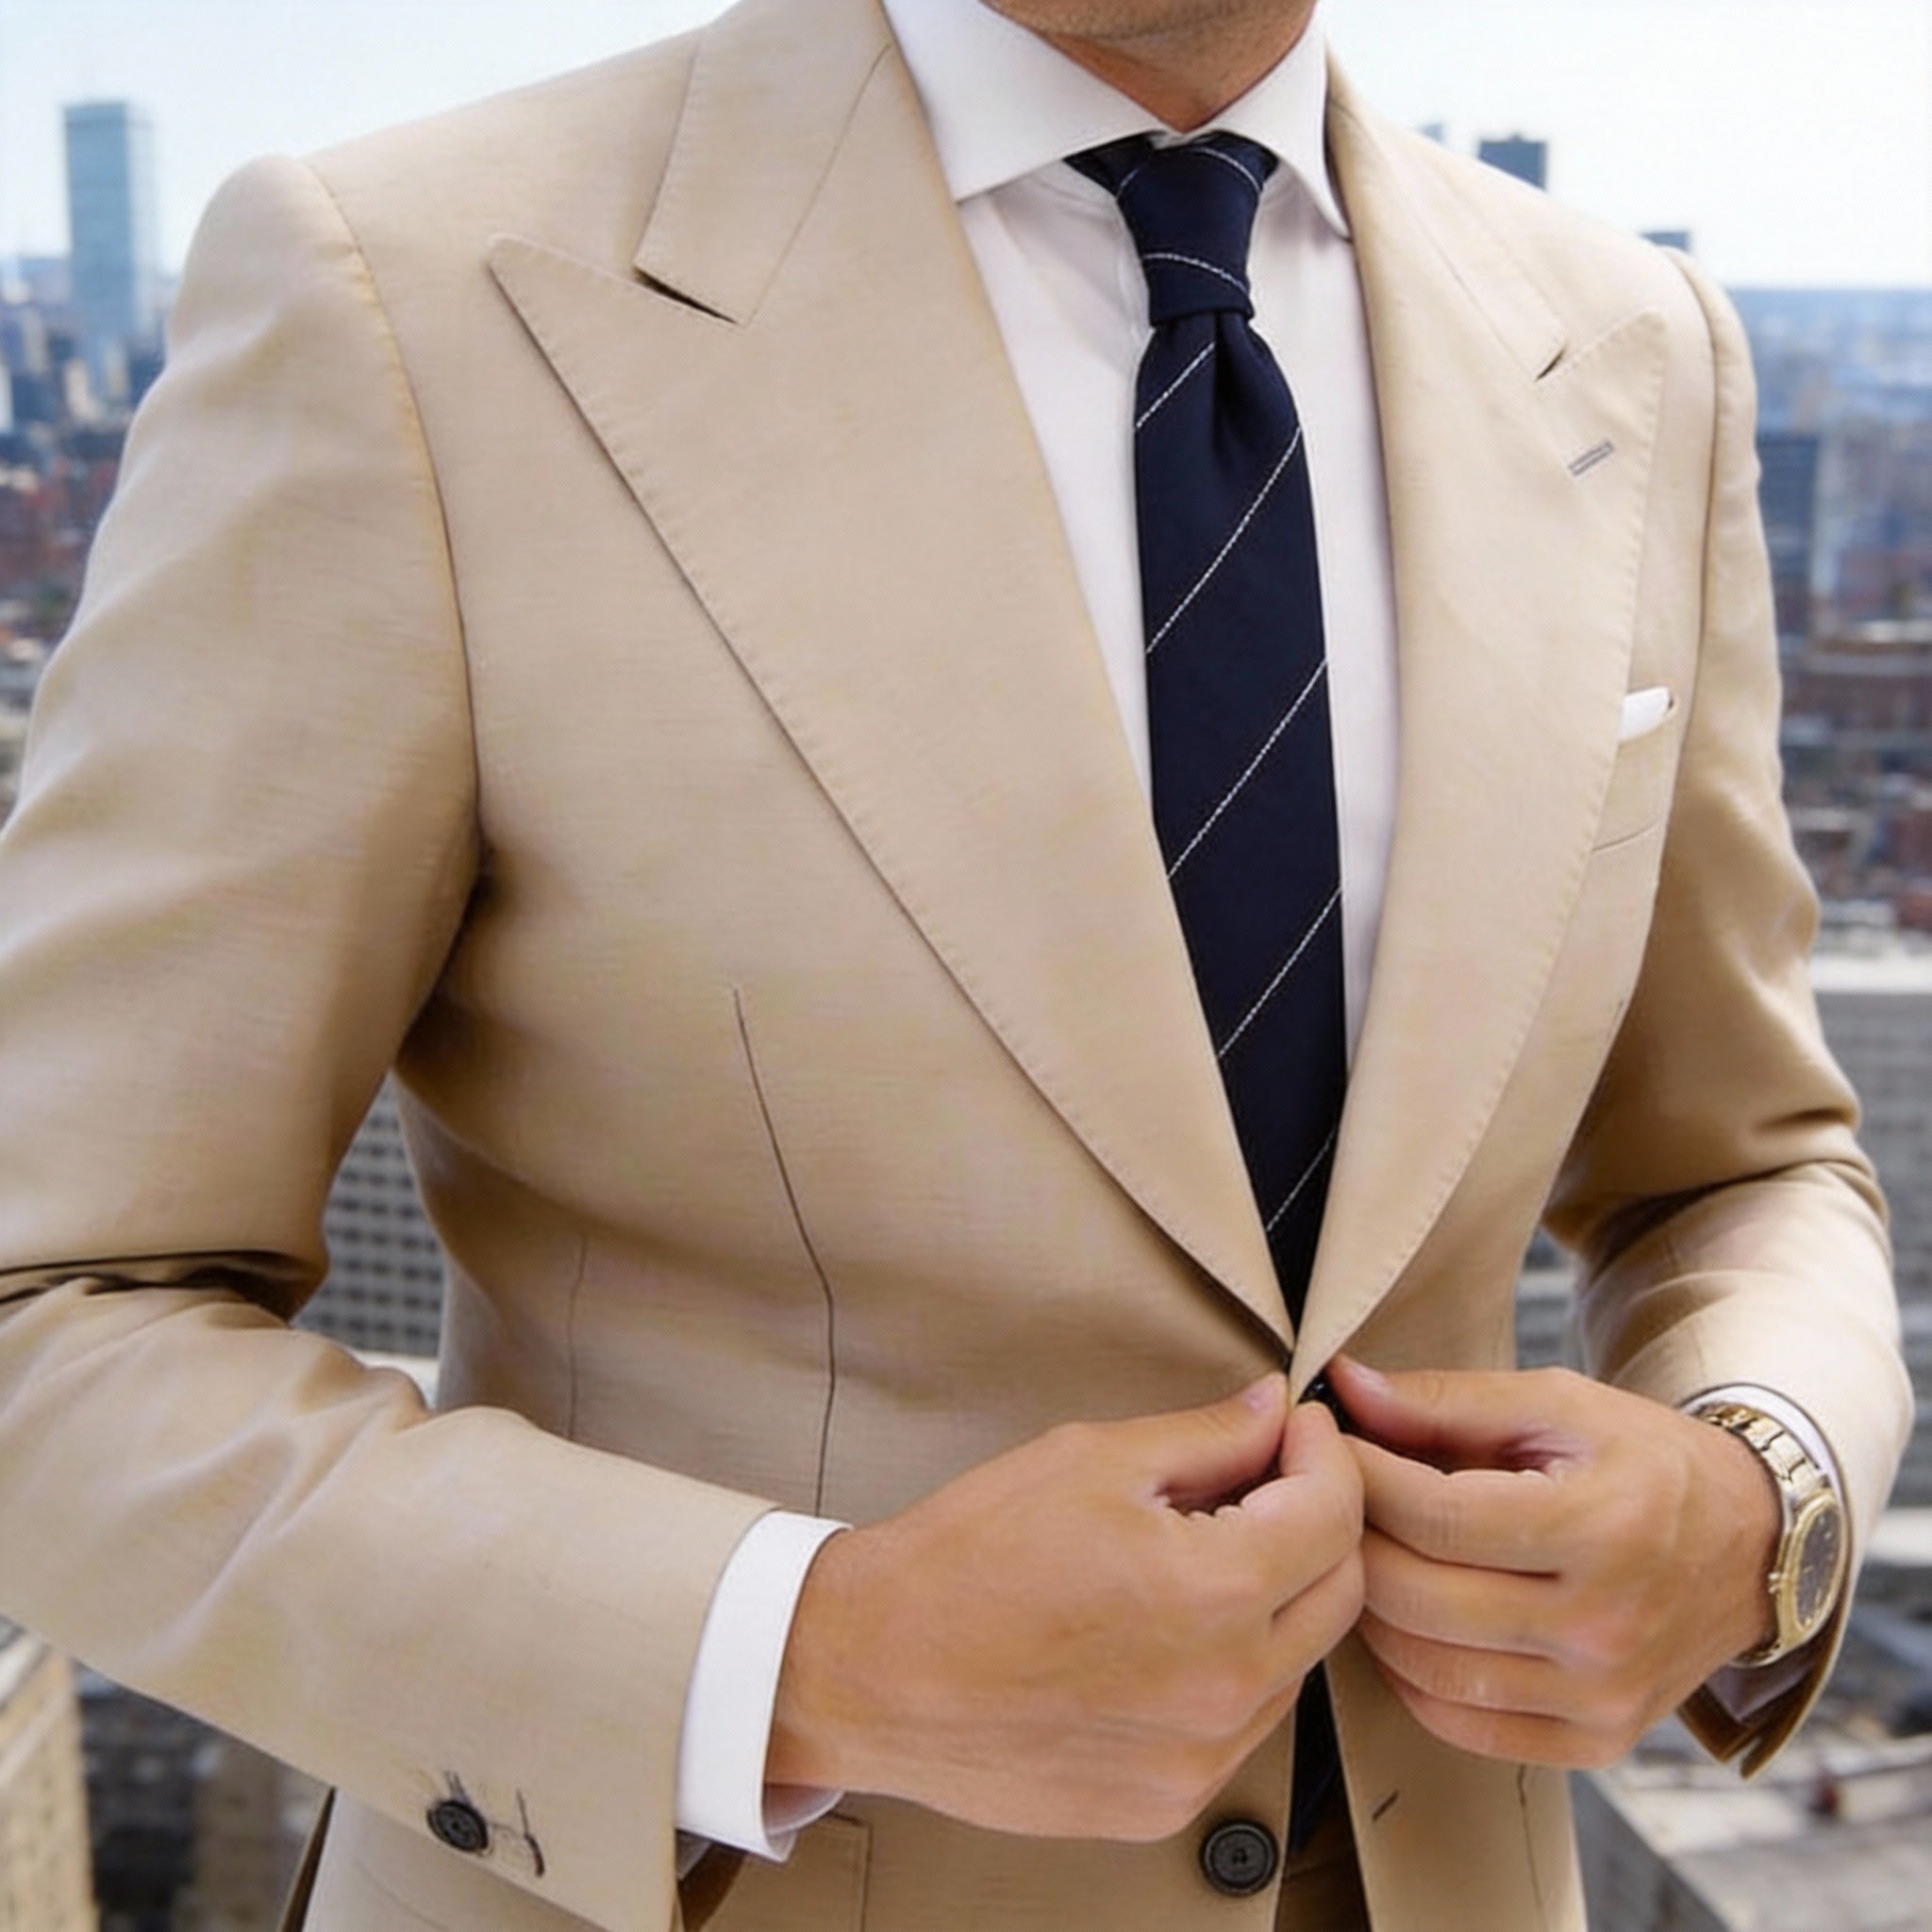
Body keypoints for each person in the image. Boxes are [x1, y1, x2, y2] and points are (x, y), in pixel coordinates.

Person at [0, 0, 1912, 1928]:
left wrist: (1760, 1492)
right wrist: (798, 1653)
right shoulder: (399, 294)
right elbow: (48, 1306)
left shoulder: (1644, 346)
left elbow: (1739, 1165)